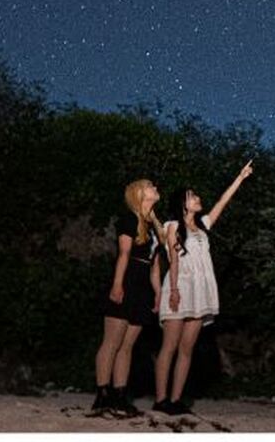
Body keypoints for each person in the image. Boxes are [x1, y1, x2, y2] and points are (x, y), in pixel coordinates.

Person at [153, 160, 254, 415]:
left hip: (199, 291)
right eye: (192, 196)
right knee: (169, 347)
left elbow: (222, 202)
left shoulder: (203, 226)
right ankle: (161, 399)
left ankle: (176, 400)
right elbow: (174, 259)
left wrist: (240, 178)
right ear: (182, 203)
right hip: (179, 287)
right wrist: (174, 290)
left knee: (187, 349)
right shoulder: (172, 226)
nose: (198, 198)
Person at [92, 178, 165, 416]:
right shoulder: (129, 219)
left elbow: (155, 267)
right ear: (139, 194)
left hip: (143, 286)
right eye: (150, 186)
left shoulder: (154, 226)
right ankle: (102, 395)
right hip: (127, 280)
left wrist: (158, 293)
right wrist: (117, 285)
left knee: (127, 346)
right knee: (112, 342)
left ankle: (120, 395)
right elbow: (124, 254)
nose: (155, 188)